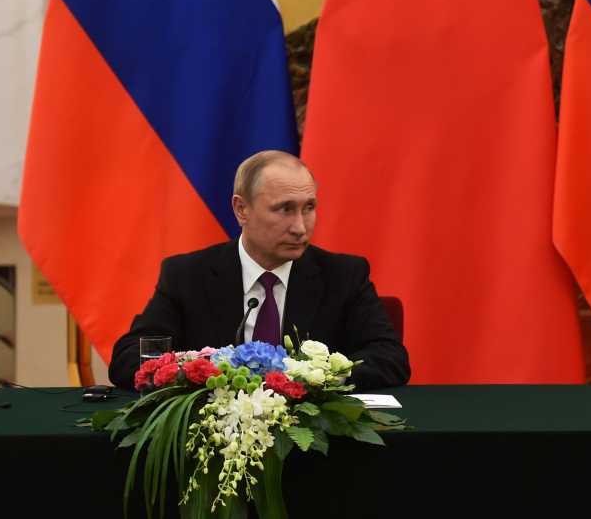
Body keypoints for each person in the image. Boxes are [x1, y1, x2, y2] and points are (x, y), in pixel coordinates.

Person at [109, 150, 409, 390]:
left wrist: (310, 377)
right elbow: (129, 359)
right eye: (284, 209)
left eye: (309, 207)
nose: (300, 227)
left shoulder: (343, 275)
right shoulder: (188, 275)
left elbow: (390, 358)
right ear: (242, 209)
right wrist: (204, 371)